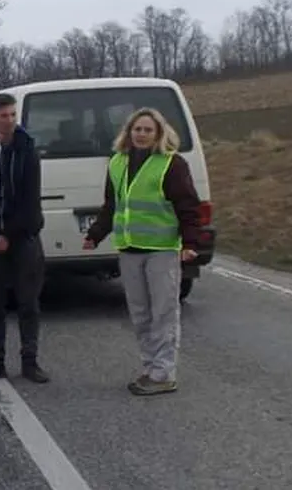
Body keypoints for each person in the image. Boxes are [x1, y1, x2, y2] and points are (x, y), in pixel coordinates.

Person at [83, 108, 201, 396]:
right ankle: (150, 368)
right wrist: (95, 235)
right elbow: (112, 205)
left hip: (161, 250)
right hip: (130, 249)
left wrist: (190, 244)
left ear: (159, 134)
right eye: (138, 129)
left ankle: (163, 373)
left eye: (148, 130)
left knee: (163, 313)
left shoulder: (172, 164)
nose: (142, 134)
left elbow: (188, 206)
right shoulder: (117, 163)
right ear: (129, 132)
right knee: (140, 314)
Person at [0, 93, 50, 386]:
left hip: (23, 237)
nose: (10, 120)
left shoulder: (27, 150)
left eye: (13, 115)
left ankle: (30, 361)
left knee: (28, 303)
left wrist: (8, 234)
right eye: (3, 115)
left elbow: (30, 201)